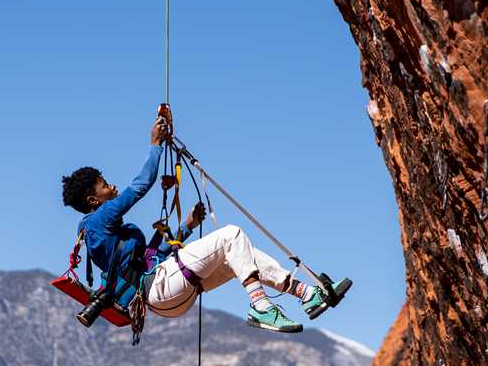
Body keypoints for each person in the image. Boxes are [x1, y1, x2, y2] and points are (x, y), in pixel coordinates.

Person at [60, 111, 345, 333]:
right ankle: (260, 306)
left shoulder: (103, 233)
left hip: (165, 297)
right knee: (231, 235)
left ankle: (308, 294)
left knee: (242, 256)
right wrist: (155, 145)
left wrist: (186, 227)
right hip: (161, 288)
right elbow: (141, 185)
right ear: (92, 200)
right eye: (104, 185)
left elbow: (152, 258)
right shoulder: (100, 219)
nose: (112, 186)